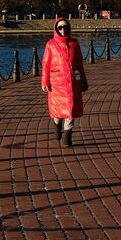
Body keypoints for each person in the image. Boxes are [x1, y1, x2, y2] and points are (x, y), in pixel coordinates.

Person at [42, 17, 89, 147]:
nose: (63, 30)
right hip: (56, 83)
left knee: (70, 110)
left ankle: (67, 137)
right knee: (57, 110)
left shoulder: (75, 43)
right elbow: (45, 64)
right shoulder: (50, 44)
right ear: (56, 29)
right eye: (60, 27)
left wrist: (84, 80)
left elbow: (79, 64)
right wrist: (45, 82)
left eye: (65, 27)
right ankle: (57, 126)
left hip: (72, 82)